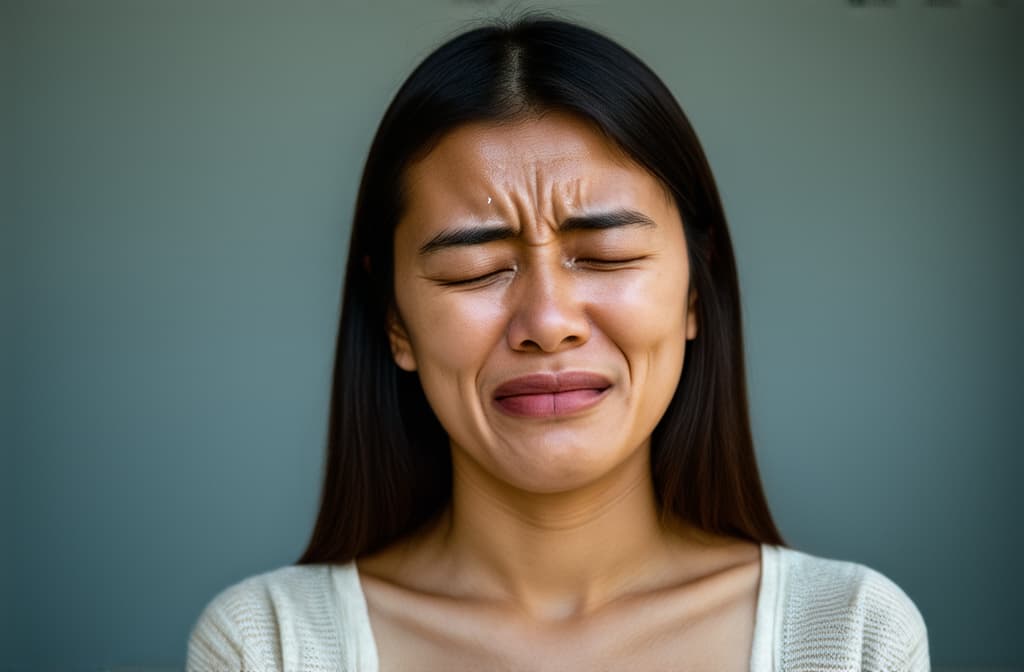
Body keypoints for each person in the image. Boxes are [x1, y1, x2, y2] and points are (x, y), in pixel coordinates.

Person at [186, 15, 929, 672]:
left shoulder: (849, 636)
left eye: (604, 257)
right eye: (475, 269)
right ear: (394, 321)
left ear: (696, 292)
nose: (548, 321)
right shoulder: (270, 647)